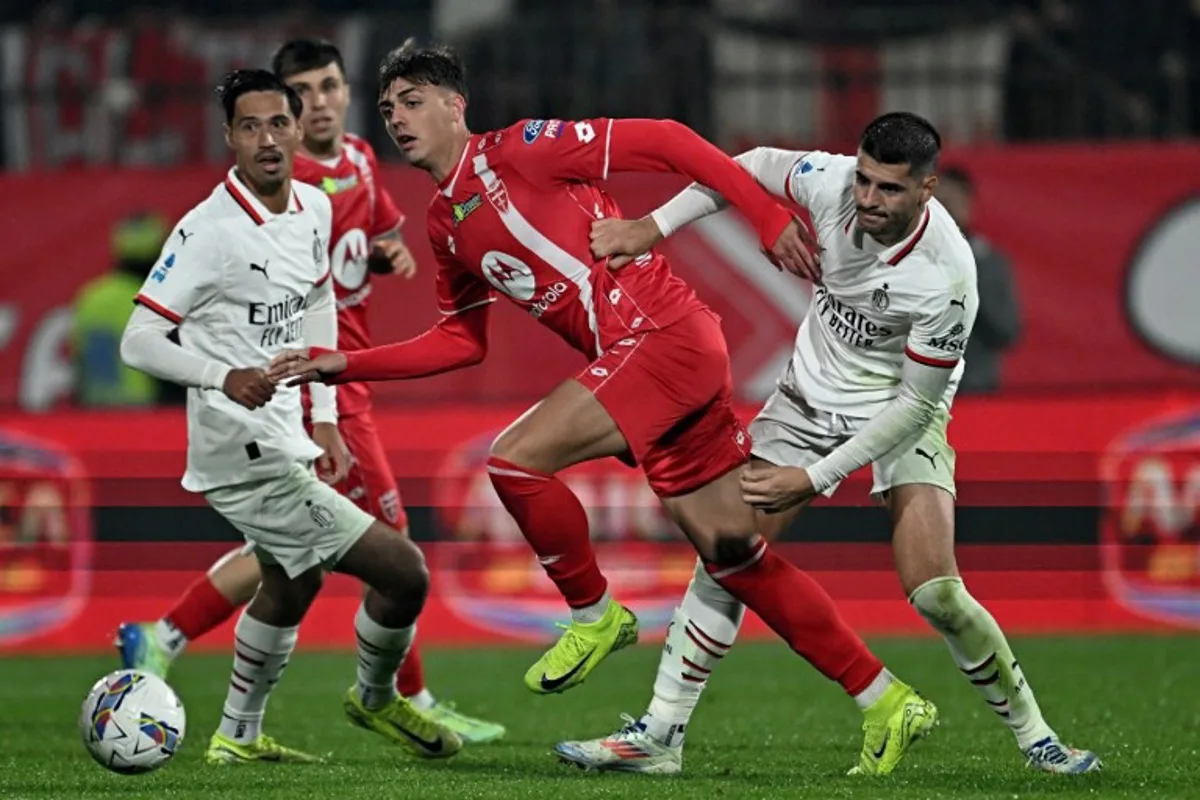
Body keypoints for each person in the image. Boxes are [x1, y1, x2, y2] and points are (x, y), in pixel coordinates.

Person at [270, 40, 935, 776]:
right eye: (389, 105)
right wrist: (343, 362)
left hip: (664, 338)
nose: (397, 116)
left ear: (457, 106)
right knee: (734, 554)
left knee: (515, 460)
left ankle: (594, 613)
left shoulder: (523, 148)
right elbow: (462, 342)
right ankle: (884, 697)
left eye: (415, 100)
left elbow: (674, 142)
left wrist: (765, 216)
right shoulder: (442, 222)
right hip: (648, 360)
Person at [556, 112, 1101, 775]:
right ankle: (660, 734)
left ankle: (1038, 739)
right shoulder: (831, 182)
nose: (868, 200)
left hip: (900, 414)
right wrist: (652, 227)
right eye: (865, 180)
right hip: (805, 403)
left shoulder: (947, 278)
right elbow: (746, 166)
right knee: (727, 552)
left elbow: (914, 404)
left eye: (889, 190)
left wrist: (813, 479)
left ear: (928, 189)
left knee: (935, 591)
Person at [114, 38, 505, 745]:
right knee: (402, 568)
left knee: (290, 581)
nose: (267, 138)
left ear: (298, 129)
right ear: (229, 137)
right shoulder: (209, 231)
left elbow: (320, 299)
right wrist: (221, 374)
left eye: (278, 123)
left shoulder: (316, 207)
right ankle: (383, 697)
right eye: (250, 126)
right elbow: (137, 340)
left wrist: (324, 415)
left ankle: (236, 731)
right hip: (242, 444)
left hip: (299, 426)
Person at [71, 213, 185, 407]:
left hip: (94, 416)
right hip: (144, 417)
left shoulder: (90, 297)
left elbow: (79, 365)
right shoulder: (154, 303)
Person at [934, 166, 1021, 394]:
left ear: (968, 205)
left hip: (975, 391)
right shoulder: (908, 262)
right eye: (940, 204)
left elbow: (1007, 332)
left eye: (952, 203)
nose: (947, 213)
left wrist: (969, 284)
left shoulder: (989, 263)